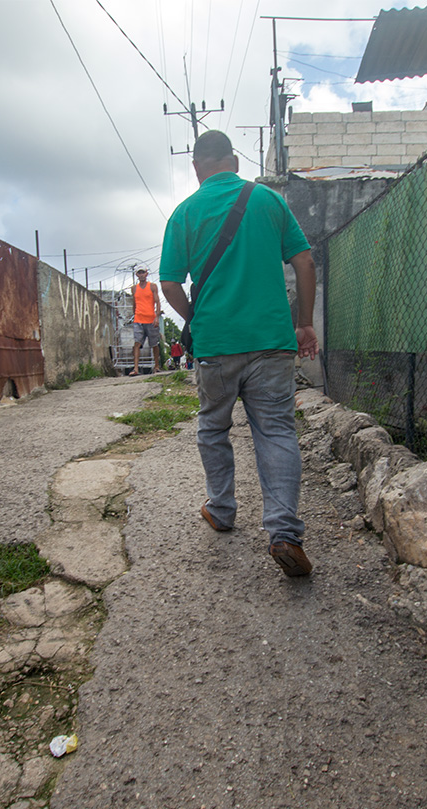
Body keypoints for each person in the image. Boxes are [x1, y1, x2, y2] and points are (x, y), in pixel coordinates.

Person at [160, 130, 319, 578]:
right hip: (272, 340)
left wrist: (197, 318)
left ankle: (223, 509)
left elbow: (170, 284)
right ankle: (284, 532)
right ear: (233, 160)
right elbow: (304, 261)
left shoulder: (184, 213)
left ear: (197, 167)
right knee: (276, 432)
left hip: (217, 345)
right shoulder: (269, 201)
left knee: (213, 427)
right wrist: (304, 322)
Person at [130, 267, 162, 375]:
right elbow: (134, 303)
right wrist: (134, 315)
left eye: (143, 272)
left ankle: (157, 366)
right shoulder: (134, 288)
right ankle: (135, 368)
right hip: (138, 319)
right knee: (137, 343)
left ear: (146, 274)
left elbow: (157, 302)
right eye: (139, 273)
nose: (142, 274)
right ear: (137, 275)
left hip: (151, 319)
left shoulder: (152, 286)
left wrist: (157, 317)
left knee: (154, 344)